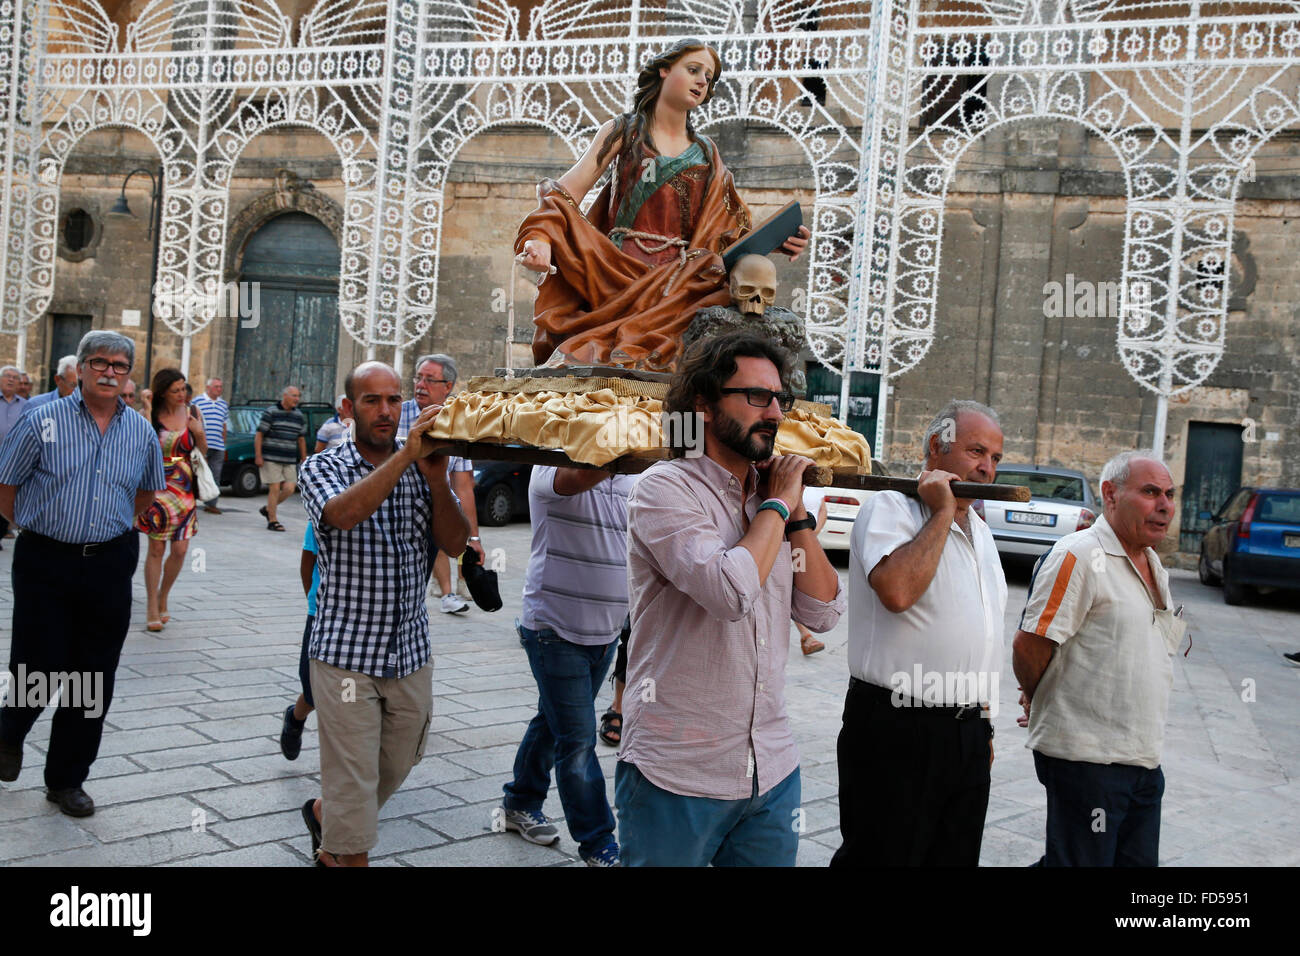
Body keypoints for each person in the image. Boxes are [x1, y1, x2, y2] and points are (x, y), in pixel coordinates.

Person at [617, 330, 843, 866]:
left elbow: (824, 611)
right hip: (678, 771)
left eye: (781, 398)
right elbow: (730, 591)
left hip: (771, 769)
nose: (775, 412)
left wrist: (797, 516)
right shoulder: (664, 488)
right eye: (756, 397)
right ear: (704, 403)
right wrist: (780, 507)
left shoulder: (771, 502)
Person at [515, 38, 809, 370]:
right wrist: (540, 238)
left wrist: (773, 241)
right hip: (613, 271)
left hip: (681, 281)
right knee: (599, 352)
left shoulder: (707, 153)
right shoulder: (623, 132)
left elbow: (722, 235)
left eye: (708, 78)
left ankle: (686, 417)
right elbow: (565, 192)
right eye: (694, 70)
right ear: (665, 69)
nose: (702, 81)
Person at [297, 361, 468, 867]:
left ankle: (331, 815)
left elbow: (454, 543)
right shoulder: (322, 466)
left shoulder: (423, 465)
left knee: (399, 761)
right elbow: (344, 515)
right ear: (349, 408)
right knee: (355, 781)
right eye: (372, 400)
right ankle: (344, 846)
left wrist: (436, 480)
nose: (386, 411)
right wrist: (405, 458)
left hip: (410, 651)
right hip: (345, 655)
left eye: (394, 400)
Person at [830, 399, 1006, 868]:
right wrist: (942, 512)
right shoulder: (891, 508)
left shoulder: (982, 533)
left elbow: (982, 634)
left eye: (995, 459)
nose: (986, 469)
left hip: (966, 732)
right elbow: (898, 590)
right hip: (895, 728)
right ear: (936, 446)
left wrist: (982, 722)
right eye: (975, 452)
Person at [0, 331, 165, 815]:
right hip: (45, 560)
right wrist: (36, 525)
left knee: (93, 674)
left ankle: (67, 779)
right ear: (80, 368)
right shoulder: (40, 420)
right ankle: (9, 731)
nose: (109, 372)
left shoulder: (139, 431)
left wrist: (106, 529)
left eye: (119, 365)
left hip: (109, 561)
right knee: (39, 663)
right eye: (99, 362)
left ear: (129, 374)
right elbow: (6, 485)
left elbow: (145, 495)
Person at [1012, 451, 1182, 867]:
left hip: (1143, 758)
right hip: (1087, 760)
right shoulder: (1079, 555)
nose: (1164, 506)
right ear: (1110, 494)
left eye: (1169, 495)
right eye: (1149, 492)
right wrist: (1038, 697)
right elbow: (1030, 644)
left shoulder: (1153, 563)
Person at [499, 465, 635, 866]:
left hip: (606, 631)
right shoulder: (549, 470)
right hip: (552, 629)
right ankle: (597, 842)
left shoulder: (634, 479)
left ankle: (520, 800)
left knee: (553, 718)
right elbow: (575, 479)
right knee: (577, 740)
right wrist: (619, 449)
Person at [396, 353, 483, 613]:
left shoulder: (458, 423)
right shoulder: (397, 415)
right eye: (418, 378)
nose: (421, 384)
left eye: (430, 380)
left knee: (413, 598)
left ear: (448, 387)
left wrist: (475, 538)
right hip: (398, 519)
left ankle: (444, 596)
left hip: (438, 514)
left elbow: (463, 485)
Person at [135, 369, 206, 632]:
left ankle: (164, 594)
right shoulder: (150, 414)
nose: (181, 394)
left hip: (184, 488)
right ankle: (152, 604)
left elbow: (202, 453)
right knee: (156, 549)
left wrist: (198, 433)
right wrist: (146, 407)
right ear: (163, 391)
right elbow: (140, 447)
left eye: (183, 389)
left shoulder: (193, 413)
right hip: (157, 487)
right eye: (175, 390)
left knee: (180, 549)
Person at [280, 522, 320, 761]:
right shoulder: (324, 513)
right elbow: (307, 565)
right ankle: (295, 718)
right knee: (313, 689)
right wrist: (314, 603)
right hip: (322, 614)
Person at [255, 385, 306, 532]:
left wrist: (304, 458)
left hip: (289, 458)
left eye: (298, 396)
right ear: (285, 396)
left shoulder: (299, 415)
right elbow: (259, 435)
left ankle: (268, 509)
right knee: (275, 488)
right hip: (271, 457)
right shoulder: (271, 412)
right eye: (294, 396)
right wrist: (258, 455)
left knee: (290, 488)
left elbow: (301, 438)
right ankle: (273, 520)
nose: (296, 399)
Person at [793, 486, 829, 655]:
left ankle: (807, 636)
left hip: (808, 541)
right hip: (790, 542)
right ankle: (806, 636)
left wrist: (813, 533)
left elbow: (823, 509)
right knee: (792, 585)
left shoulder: (817, 485)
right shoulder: (792, 477)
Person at [191, 378, 229, 515]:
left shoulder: (223, 405)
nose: (219, 389)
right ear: (208, 387)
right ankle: (192, 500)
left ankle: (212, 504)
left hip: (217, 446)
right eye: (216, 387)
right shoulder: (197, 402)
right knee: (197, 473)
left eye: (221, 387)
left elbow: (224, 425)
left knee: (215, 475)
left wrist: (223, 443)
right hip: (202, 446)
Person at [0, 366, 28, 548]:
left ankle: (2, 530)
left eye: (15, 377)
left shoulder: (26, 405)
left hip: (11, 459)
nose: (11, 380)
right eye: (7, 376)